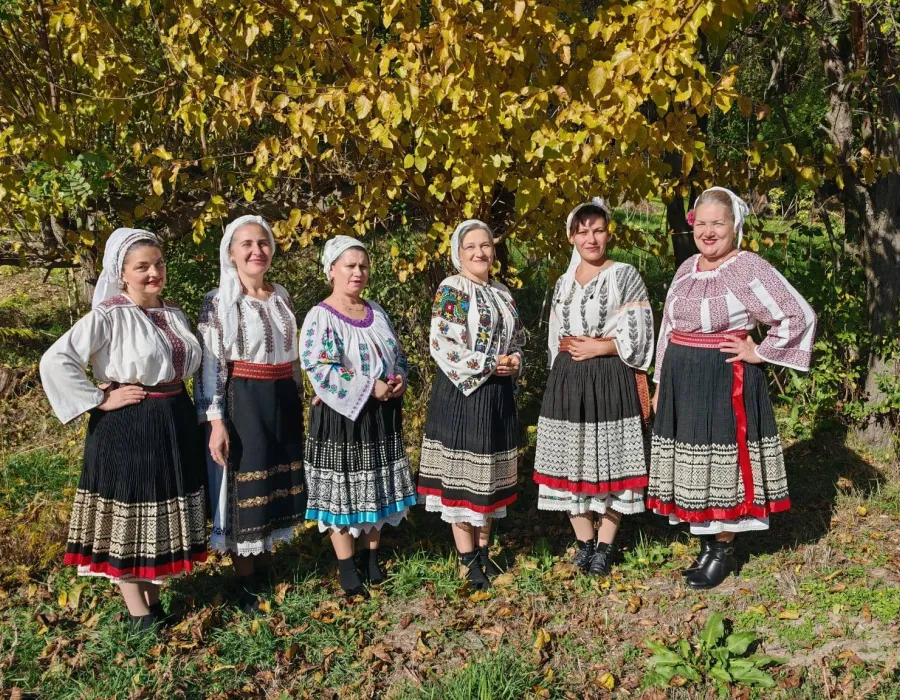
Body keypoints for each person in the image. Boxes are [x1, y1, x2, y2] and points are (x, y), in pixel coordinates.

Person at [649, 187, 817, 589]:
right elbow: (667, 328)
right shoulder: (687, 267)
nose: (708, 232)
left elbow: (798, 314)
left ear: (734, 226)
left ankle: (723, 548)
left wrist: (759, 351)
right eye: (701, 223)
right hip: (682, 378)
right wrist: (659, 382)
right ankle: (707, 544)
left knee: (722, 462)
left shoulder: (748, 267)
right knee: (696, 461)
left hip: (724, 377)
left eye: (717, 224)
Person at [40, 229, 206, 634]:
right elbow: (55, 359)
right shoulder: (109, 314)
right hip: (130, 423)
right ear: (122, 273)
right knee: (132, 515)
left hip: (173, 417)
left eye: (158, 264)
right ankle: (139, 616)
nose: (154, 272)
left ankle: (153, 602)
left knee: (157, 512)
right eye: (142, 267)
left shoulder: (174, 313)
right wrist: (99, 400)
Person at [533, 199, 654, 576]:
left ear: (608, 233)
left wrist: (603, 346)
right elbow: (555, 337)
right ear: (572, 236)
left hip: (610, 376)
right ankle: (584, 541)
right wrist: (562, 372)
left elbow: (641, 330)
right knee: (572, 460)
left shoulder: (624, 274)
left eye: (598, 229)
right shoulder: (563, 282)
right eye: (583, 231)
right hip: (569, 380)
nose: (591, 237)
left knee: (613, 460)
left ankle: (606, 544)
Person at [195, 215, 306, 613]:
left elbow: (292, 357)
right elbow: (210, 364)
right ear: (231, 253)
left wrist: (298, 397)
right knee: (244, 483)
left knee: (277, 477)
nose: (256, 250)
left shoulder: (282, 295)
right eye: (247, 244)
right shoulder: (219, 299)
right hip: (244, 397)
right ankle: (245, 580)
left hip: (281, 397)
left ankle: (265, 563)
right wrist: (216, 420)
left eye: (263, 243)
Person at [300, 236, 417, 598]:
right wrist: (369, 387)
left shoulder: (376, 311)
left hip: (381, 415)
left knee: (375, 488)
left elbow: (397, 355)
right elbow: (318, 368)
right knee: (344, 495)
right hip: (343, 417)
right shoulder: (320, 316)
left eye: (363, 266)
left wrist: (398, 379)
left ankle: (371, 559)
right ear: (332, 270)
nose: (357, 272)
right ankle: (347, 568)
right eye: (349, 266)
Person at [417, 220, 525, 590]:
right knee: (464, 481)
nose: (480, 253)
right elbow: (443, 346)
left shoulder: (502, 292)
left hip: (497, 394)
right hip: (465, 395)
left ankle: (483, 552)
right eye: (471, 247)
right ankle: (467, 561)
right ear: (459, 254)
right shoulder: (453, 288)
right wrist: (487, 364)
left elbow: (517, 340)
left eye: (486, 245)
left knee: (489, 477)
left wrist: (514, 361)